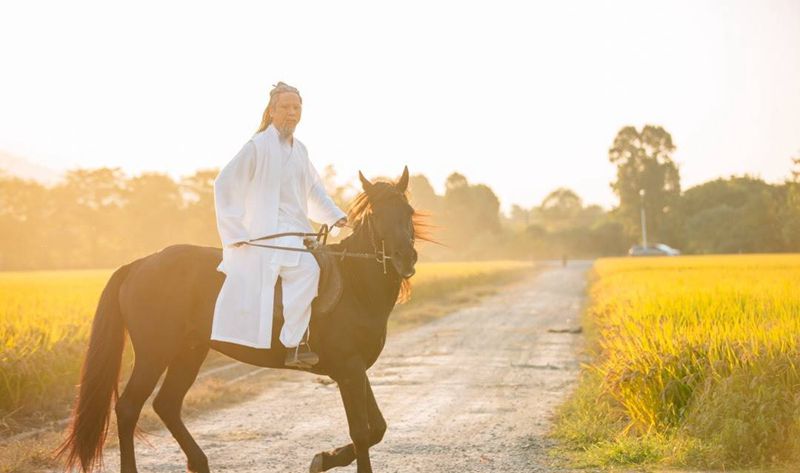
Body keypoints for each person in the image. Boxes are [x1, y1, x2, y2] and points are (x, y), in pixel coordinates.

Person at [211, 82, 347, 368]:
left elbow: (314, 191)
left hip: (295, 231)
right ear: (272, 111)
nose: (291, 113)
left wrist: (335, 215)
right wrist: (235, 231)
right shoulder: (257, 146)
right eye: (285, 107)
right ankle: (295, 345)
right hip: (266, 233)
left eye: (296, 108)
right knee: (308, 270)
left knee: (319, 264)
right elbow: (225, 182)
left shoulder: (301, 150)